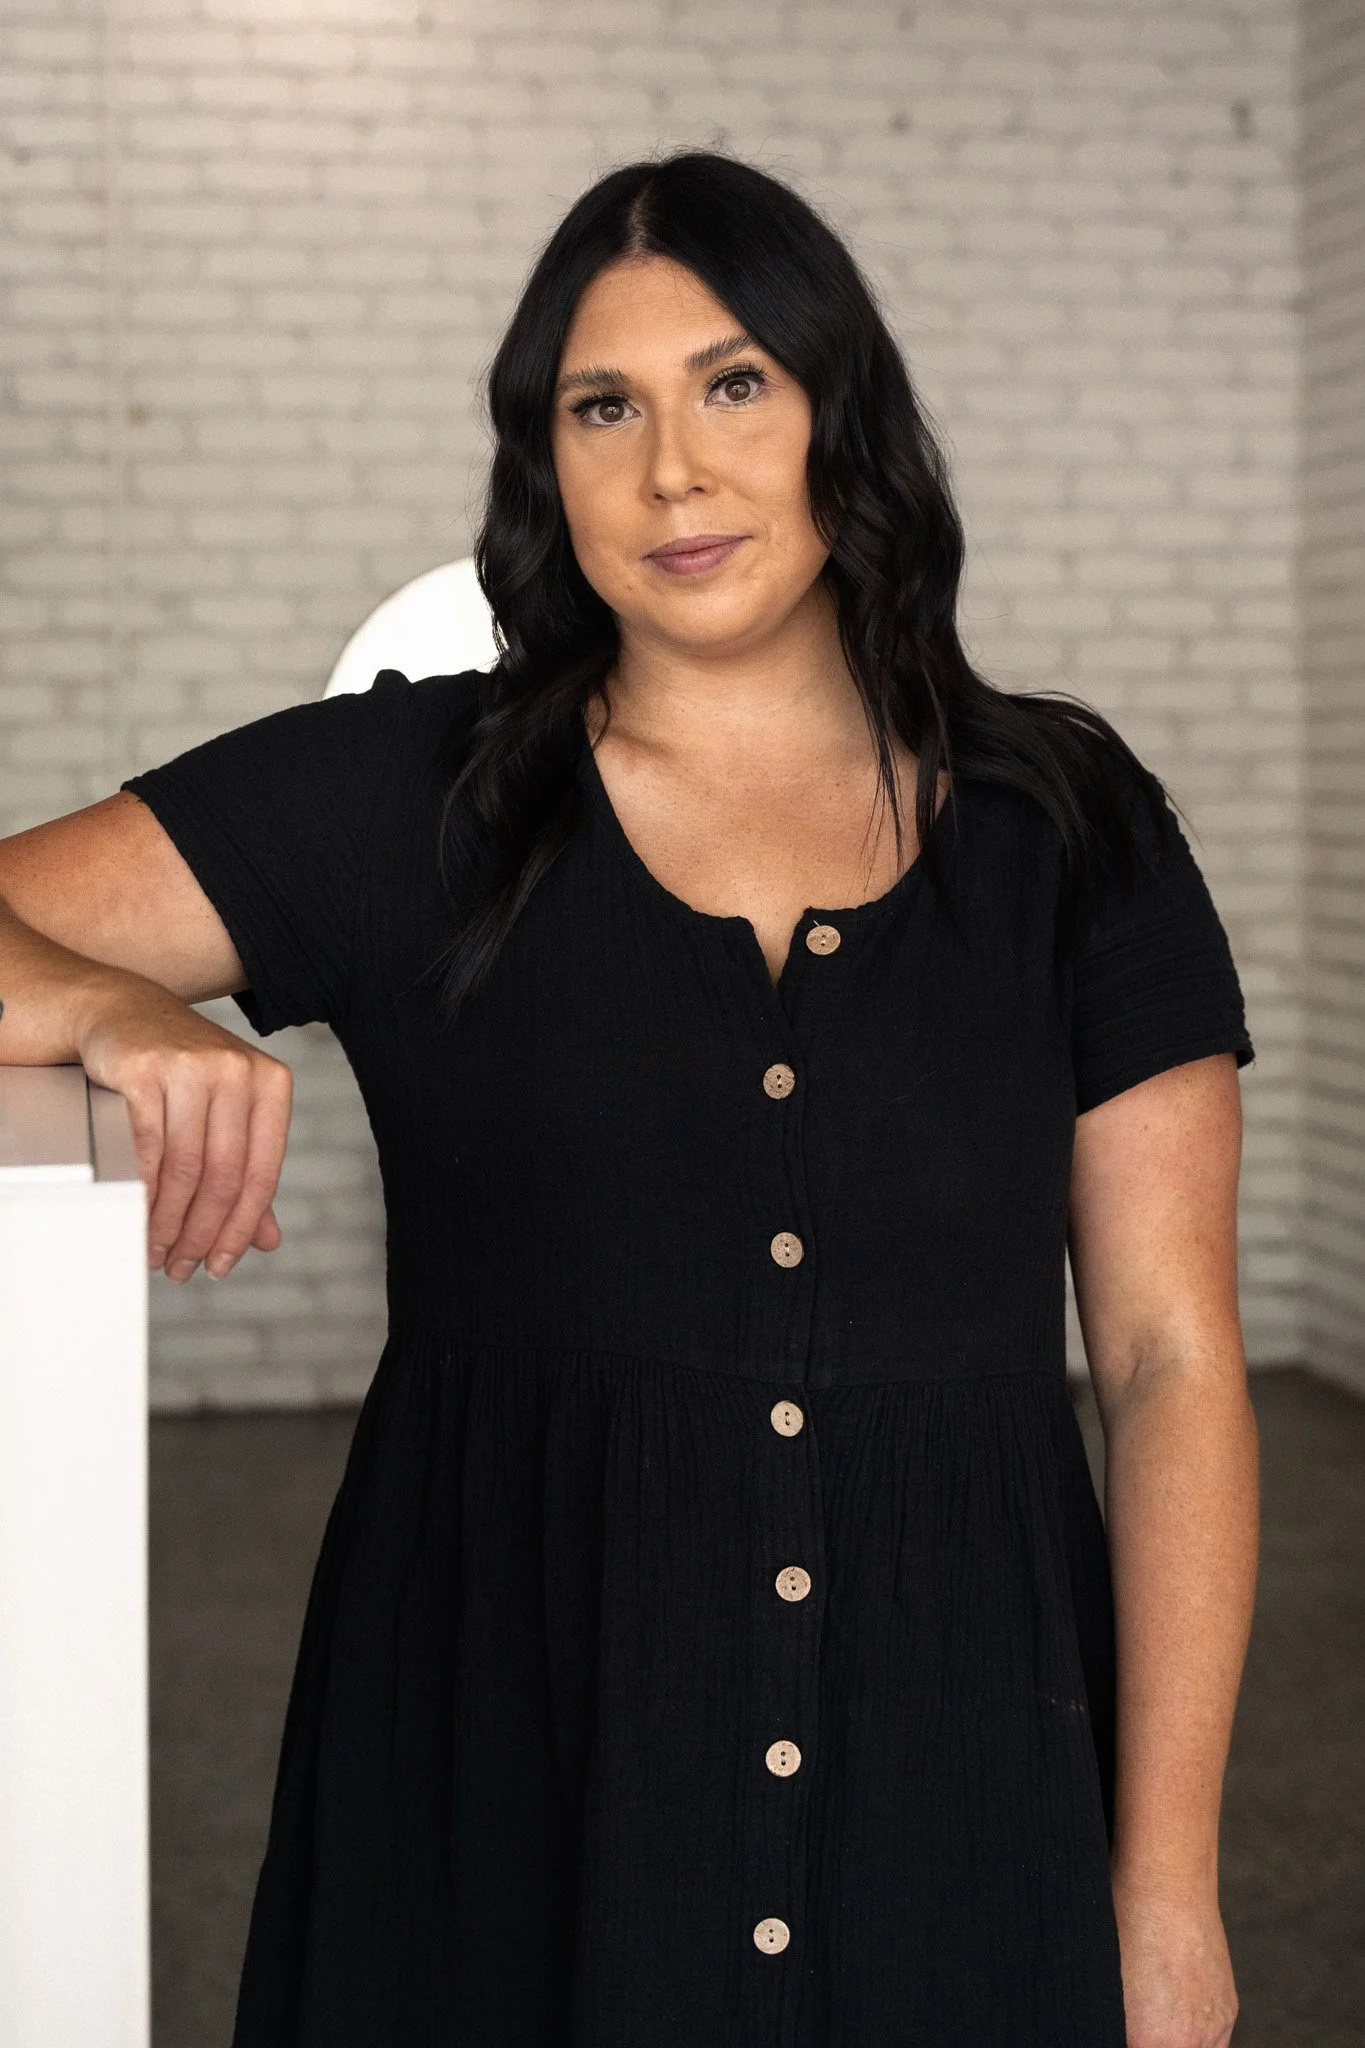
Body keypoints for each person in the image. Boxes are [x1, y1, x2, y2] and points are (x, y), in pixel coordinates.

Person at [0, 151, 1258, 2047]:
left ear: (847, 412)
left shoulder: (1068, 827)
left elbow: (1170, 1359)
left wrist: (1164, 1883)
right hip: (507, 1781)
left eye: (735, 383)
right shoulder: (411, 796)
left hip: (965, 1783)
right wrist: (111, 1010)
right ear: (546, 465)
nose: (675, 469)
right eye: (607, 409)